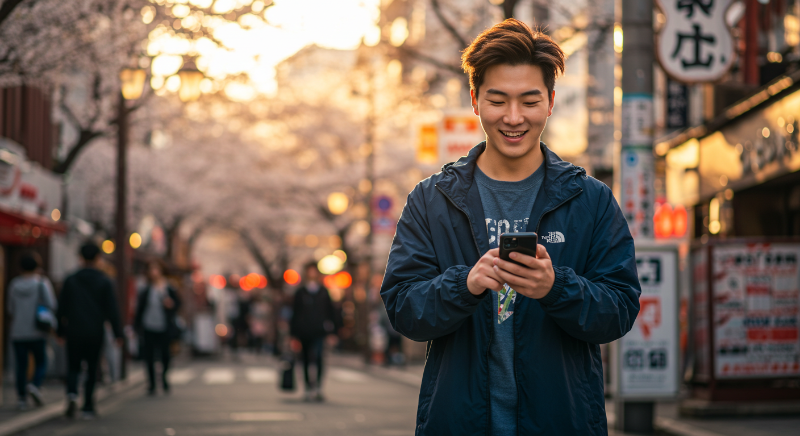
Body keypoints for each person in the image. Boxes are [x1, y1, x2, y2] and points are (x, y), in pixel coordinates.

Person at [380, 19, 641, 436]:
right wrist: (465, 283)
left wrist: (556, 287)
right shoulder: (431, 200)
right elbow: (403, 308)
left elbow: (620, 310)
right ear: (475, 100)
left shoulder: (590, 199)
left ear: (551, 102)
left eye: (529, 101)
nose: (514, 118)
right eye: (498, 100)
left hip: (563, 422)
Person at [57, 242, 123, 420]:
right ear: (98, 258)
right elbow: (112, 310)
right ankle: (88, 406)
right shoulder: (104, 281)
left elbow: (61, 308)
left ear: (80, 258)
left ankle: (71, 394)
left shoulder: (71, 280)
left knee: (73, 366)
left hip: (74, 330)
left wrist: (60, 331)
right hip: (95, 331)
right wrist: (118, 333)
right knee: (93, 368)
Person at [7, 252, 57, 410]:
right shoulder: (42, 283)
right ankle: (35, 385)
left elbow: (10, 308)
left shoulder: (14, 284)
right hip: (37, 330)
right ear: (37, 266)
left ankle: (21, 398)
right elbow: (52, 304)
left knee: (20, 366)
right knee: (42, 361)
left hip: (18, 331)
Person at [289, 262, 338, 402]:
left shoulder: (323, 292)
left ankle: (318, 387)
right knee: (304, 360)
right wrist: (293, 335)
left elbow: (331, 312)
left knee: (318, 357)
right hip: (303, 332)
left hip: (319, 331)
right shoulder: (300, 292)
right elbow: (294, 314)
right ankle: (307, 388)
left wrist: (333, 332)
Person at [134, 259, 181, 396]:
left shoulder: (169, 287)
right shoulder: (146, 288)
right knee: (149, 356)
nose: (154, 272)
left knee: (165, 355)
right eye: (151, 270)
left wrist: (171, 305)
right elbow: (140, 309)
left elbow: (178, 304)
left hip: (164, 326)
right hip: (148, 325)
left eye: (156, 269)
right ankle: (152, 383)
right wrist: (136, 326)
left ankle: (164, 378)